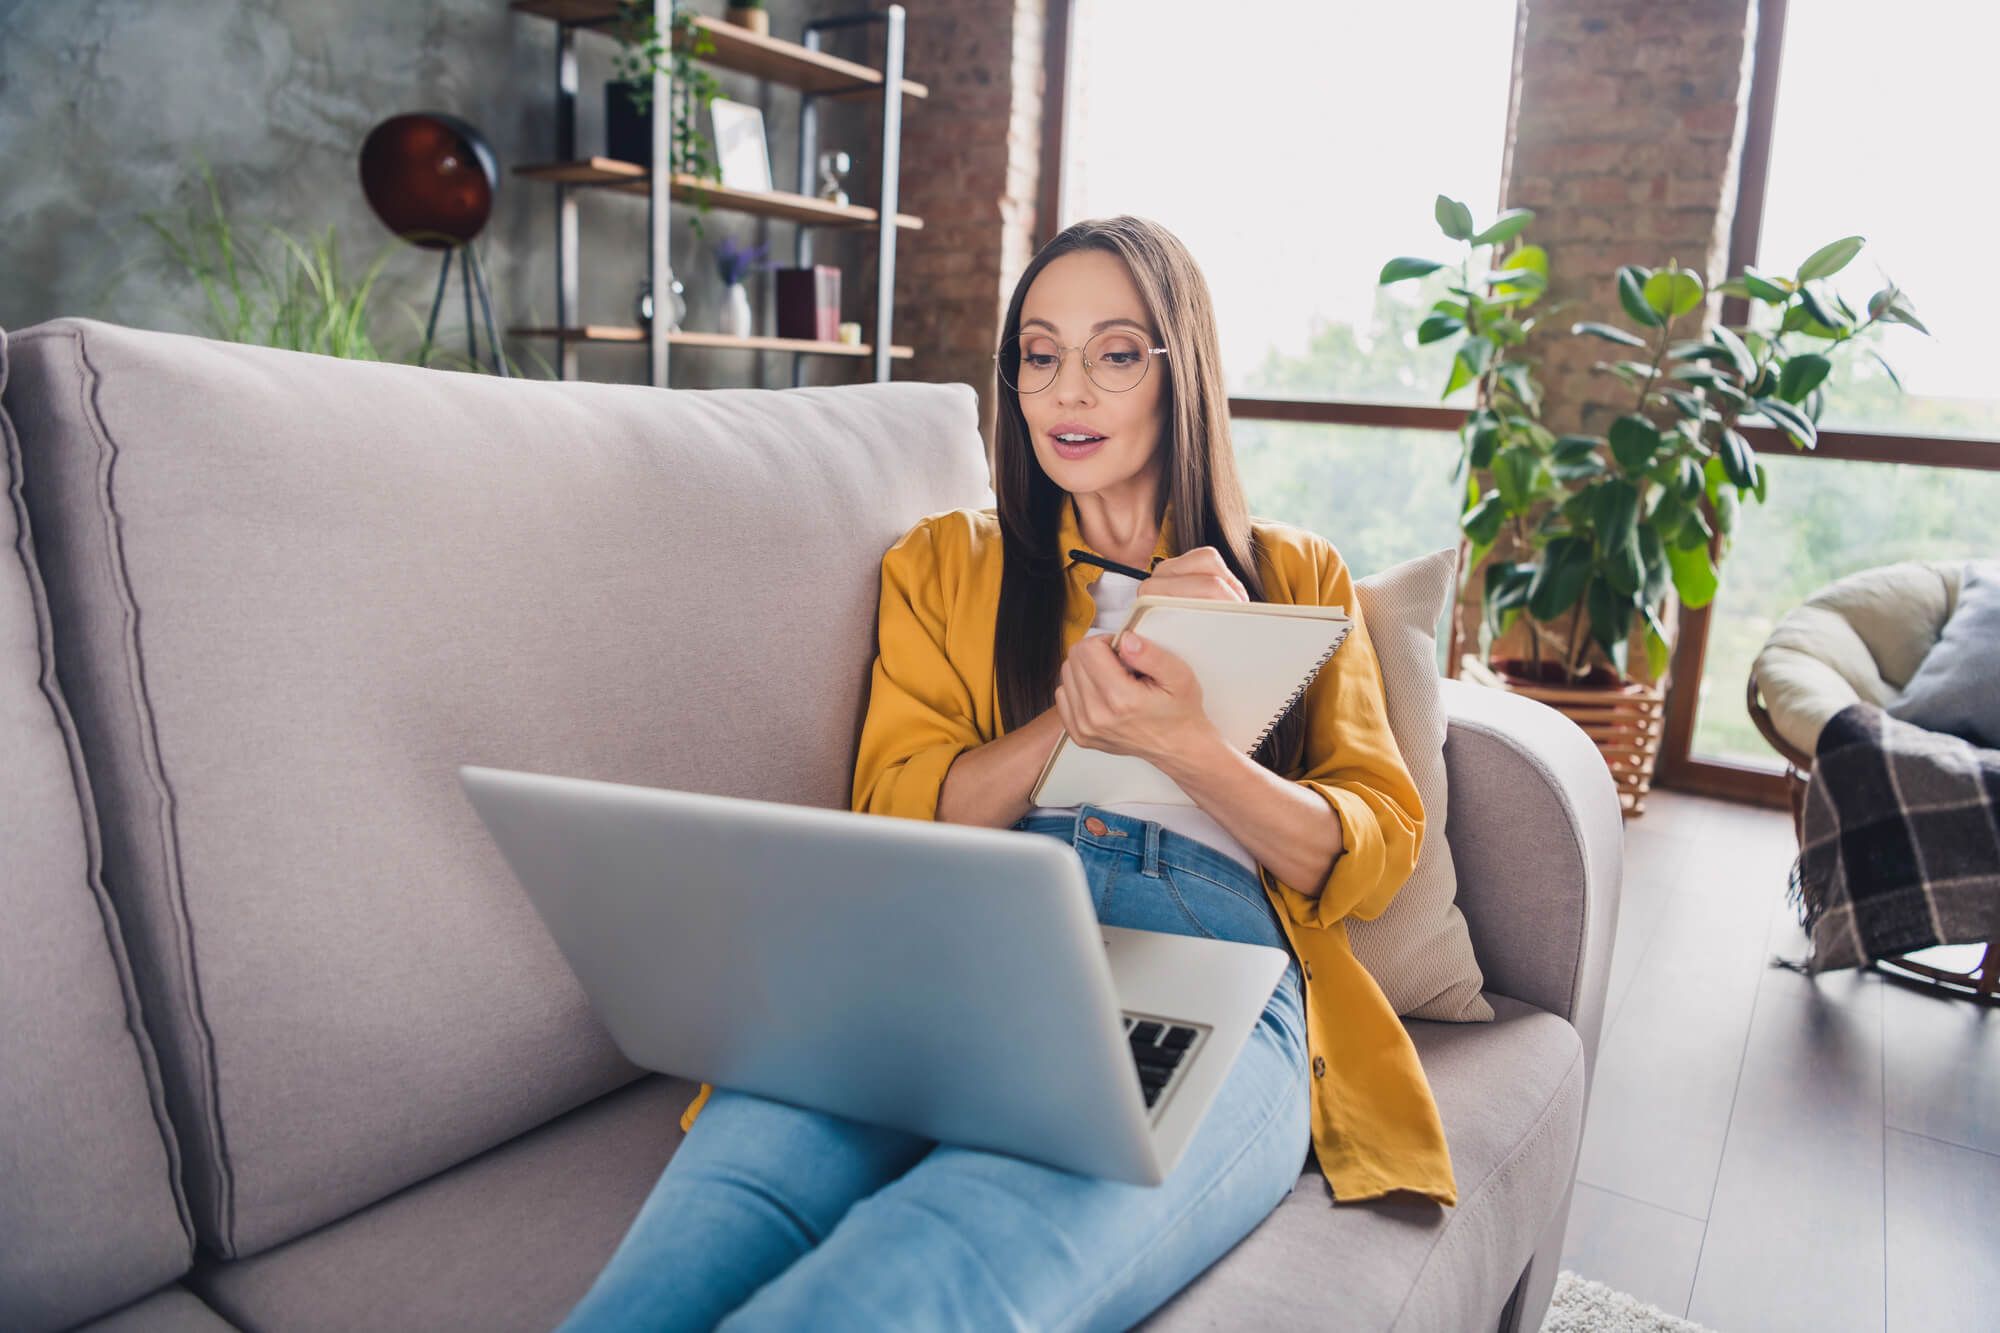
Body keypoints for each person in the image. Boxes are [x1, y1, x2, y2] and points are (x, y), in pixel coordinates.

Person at [555, 216, 1456, 1333]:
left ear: (1181, 376)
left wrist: (1189, 744)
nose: (1065, 390)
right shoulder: (944, 563)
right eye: (1039, 353)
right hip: (951, 955)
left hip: (1203, 974)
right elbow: (899, 809)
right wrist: (1075, 712)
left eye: (1113, 354)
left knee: (916, 1280)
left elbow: (1365, 853)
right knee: (682, 1262)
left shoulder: (1292, 573)